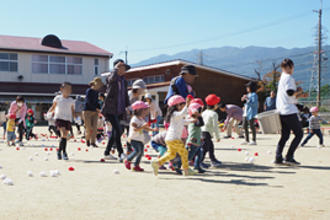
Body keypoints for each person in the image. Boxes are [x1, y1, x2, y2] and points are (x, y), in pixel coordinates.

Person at [151, 95, 196, 176]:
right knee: (185, 152)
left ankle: (157, 163)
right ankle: (186, 170)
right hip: (173, 138)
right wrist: (187, 104)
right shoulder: (175, 114)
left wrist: (192, 121)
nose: (183, 106)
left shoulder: (176, 116)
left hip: (171, 139)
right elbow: (182, 114)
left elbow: (183, 121)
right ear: (177, 105)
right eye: (182, 104)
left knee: (171, 154)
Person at [275, 58, 305, 165]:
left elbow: (288, 95)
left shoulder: (282, 78)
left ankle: (278, 157)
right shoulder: (289, 78)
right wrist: (299, 91)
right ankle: (289, 156)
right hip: (289, 111)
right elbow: (290, 93)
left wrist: (299, 95)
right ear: (290, 67)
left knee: (285, 135)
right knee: (299, 134)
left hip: (281, 110)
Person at [102, 59, 130, 162]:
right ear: (116, 68)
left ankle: (107, 153)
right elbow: (110, 80)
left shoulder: (123, 81)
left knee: (116, 131)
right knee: (118, 130)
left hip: (120, 109)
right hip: (110, 109)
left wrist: (128, 107)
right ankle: (121, 153)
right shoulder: (112, 78)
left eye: (124, 68)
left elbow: (125, 95)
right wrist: (115, 70)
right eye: (121, 67)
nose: (124, 70)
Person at [125, 101, 156, 172]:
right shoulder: (134, 119)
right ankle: (128, 160)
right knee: (137, 151)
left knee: (141, 153)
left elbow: (144, 127)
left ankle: (136, 165)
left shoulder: (141, 119)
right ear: (138, 111)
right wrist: (143, 126)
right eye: (144, 111)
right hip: (134, 138)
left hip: (140, 139)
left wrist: (152, 129)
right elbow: (135, 129)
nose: (145, 112)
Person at [48, 82, 75, 160]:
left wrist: (76, 118)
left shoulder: (71, 100)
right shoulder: (58, 98)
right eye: (66, 89)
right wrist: (49, 113)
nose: (68, 91)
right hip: (59, 118)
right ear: (61, 89)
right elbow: (53, 107)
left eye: (70, 89)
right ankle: (64, 153)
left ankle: (59, 151)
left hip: (68, 119)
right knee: (63, 134)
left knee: (64, 136)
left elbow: (73, 110)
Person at [201, 94, 222, 168]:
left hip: (202, 132)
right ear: (215, 105)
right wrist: (217, 137)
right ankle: (199, 162)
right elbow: (215, 126)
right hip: (207, 133)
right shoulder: (214, 114)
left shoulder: (204, 112)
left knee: (210, 147)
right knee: (205, 148)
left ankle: (213, 159)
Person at [83, 77, 104, 148]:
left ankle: (93, 142)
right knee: (89, 128)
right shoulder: (89, 91)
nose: (100, 86)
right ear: (95, 84)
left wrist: (99, 109)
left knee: (95, 128)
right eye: (99, 85)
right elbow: (88, 102)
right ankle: (87, 139)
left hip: (95, 112)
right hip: (88, 111)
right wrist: (96, 108)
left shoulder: (97, 92)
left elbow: (97, 102)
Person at [186, 102, 205, 173]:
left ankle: (197, 166)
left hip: (197, 141)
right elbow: (201, 124)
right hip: (193, 141)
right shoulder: (193, 119)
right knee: (189, 156)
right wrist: (199, 116)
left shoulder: (195, 118)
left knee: (199, 154)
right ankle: (179, 165)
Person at [241, 81, 259, 145]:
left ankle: (254, 140)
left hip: (251, 113)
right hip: (246, 112)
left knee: (251, 126)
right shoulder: (248, 94)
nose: (247, 88)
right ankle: (247, 140)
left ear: (251, 87)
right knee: (244, 126)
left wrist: (247, 99)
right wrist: (244, 99)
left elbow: (254, 104)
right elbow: (247, 102)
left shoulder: (254, 95)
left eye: (248, 87)